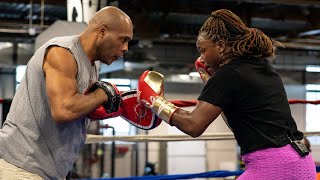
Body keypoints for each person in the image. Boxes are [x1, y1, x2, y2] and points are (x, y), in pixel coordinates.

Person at [137, 9, 316, 179]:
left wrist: (156, 102)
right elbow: (236, 122)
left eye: (202, 50)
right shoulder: (262, 66)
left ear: (221, 46)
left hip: (273, 167)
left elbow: (194, 126)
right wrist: (211, 86)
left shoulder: (228, 74)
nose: (201, 59)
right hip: (303, 164)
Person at [0, 6, 133, 179]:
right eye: (123, 39)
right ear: (102, 32)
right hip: (20, 166)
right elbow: (64, 110)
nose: (126, 48)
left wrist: (117, 107)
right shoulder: (62, 53)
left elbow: (77, 109)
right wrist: (102, 94)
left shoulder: (92, 64)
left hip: (48, 170)